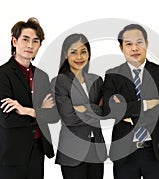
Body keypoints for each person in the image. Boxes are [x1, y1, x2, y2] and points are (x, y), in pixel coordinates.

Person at [102, 24, 159, 179]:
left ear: (147, 44)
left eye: (139, 42)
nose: (134, 48)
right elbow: (108, 110)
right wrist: (146, 104)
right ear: (121, 48)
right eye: (129, 44)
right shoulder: (113, 75)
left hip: (156, 151)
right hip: (124, 153)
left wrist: (127, 111)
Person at [0, 17, 58, 179]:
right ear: (14, 41)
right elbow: (6, 119)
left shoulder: (42, 76)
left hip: (37, 150)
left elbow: (54, 116)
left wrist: (26, 110)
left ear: (40, 45)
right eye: (25, 39)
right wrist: (40, 112)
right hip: (10, 153)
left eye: (35, 41)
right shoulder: (1, 74)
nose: (30, 45)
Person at [53, 33, 107, 179]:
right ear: (66, 54)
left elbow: (105, 112)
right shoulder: (60, 81)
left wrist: (83, 108)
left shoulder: (96, 80)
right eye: (73, 52)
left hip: (96, 148)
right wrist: (94, 108)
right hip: (72, 151)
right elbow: (68, 117)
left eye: (83, 52)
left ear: (89, 54)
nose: (79, 57)